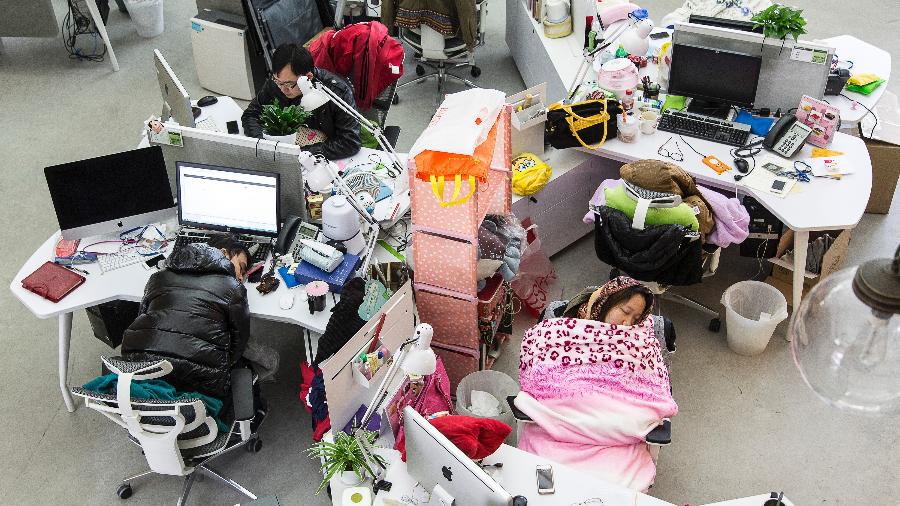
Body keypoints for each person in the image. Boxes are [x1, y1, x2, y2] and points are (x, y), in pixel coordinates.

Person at [515, 276, 676, 492]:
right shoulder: (558, 333)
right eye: (625, 311)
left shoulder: (641, 341)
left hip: (616, 438)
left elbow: (653, 386)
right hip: (558, 429)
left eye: (637, 317)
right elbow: (535, 376)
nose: (628, 323)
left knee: (608, 493)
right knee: (545, 490)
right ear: (607, 302)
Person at [121, 234, 277, 405]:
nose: (241, 278)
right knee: (270, 360)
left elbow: (142, 318)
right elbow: (238, 344)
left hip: (140, 371)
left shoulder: (158, 278)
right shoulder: (232, 288)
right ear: (223, 253)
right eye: (241, 268)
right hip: (201, 386)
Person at [242, 43, 361, 160]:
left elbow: (350, 142)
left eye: (289, 84)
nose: (283, 89)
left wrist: (301, 153)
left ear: (308, 77)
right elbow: (250, 114)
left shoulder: (336, 92)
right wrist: (263, 144)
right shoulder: (276, 84)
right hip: (287, 150)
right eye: (278, 82)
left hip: (325, 158)